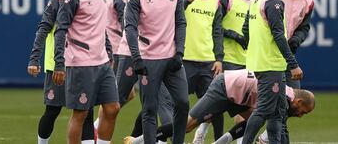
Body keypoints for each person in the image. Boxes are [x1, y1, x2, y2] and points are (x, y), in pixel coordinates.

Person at [123, 69, 314, 144]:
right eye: (303, 112)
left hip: (241, 96)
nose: (300, 116)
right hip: (224, 87)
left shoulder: (287, 96)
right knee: (188, 124)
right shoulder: (284, 98)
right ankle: (137, 141)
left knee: (249, 121)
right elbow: (280, 130)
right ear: (298, 102)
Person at [53, 0, 120, 144]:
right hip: (80, 63)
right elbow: (61, 30)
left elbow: (101, 25)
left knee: (113, 108)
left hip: (102, 62)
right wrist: (59, 63)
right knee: (81, 114)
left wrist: (108, 50)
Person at [124, 0, 189, 144]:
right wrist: (137, 58)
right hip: (148, 60)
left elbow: (181, 22)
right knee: (150, 109)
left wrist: (179, 52)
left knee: (183, 104)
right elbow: (130, 28)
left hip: (172, 58)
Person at [27, 0, 96, 144]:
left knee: (86, 112)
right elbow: (43, 29)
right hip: (58, 68)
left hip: (84, 65)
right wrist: (34, 59)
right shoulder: (59, 0)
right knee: (52, 110)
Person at [241, 0, 303, 144]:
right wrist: (293, 65)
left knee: (278, 111)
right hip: (270, 65)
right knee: (264, 110)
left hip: (262, 62)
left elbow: (245, 29)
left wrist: (255, 48)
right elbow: (278, 36)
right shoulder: (274, 0)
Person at [256, 0, 314, 144]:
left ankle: (267, 139)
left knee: (290, 105)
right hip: (268, 56)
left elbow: (304, 28)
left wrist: (297, 39)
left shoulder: (308, 1)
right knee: (260, 108)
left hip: (288, 57)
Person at [210, 0, 257, 144]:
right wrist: (235, 36)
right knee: (225, 106)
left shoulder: (256, 1)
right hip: (228, 59)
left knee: (245, 107)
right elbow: (214, 26)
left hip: (249, 61)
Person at [93, 0, 136, 136]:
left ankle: (96, 126)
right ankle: (96, 129)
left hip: (112, 49)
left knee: (129, 94)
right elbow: (126, 23)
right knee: (114, 97)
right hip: (119, 51)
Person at [182, 0, 224, 143]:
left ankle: (218, 141)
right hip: (184, 61)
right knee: (177, 105)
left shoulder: (215, 1)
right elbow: (169, 17)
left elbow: (217, 32)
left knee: (216, 108)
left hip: (208, 63)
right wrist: (186, 1)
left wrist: (219, 59)